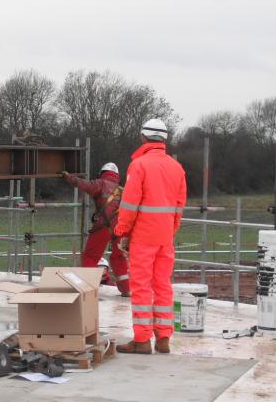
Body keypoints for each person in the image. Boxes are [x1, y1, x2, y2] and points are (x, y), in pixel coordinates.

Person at [113, 118, 186, 355]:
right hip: (165, 237)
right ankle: (163, 338)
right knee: (163, 285)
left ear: (143, 138)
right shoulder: (177, 168)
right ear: (164, 140)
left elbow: (130, 203)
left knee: (142, 286)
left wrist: (122, 232)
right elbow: (178, 206)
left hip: (143, 237)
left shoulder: (139, 165)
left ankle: (142, 340)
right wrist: (170, 231)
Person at [61, 163, 130, 296]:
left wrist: (68, 177)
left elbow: (83, 184)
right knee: (119, 258)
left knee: (90, 256)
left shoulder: (100, 183)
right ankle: (127, 289)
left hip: (103, 227)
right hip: (123, 229)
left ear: (103, 172)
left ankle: (88, 289)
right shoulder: (123, 190)